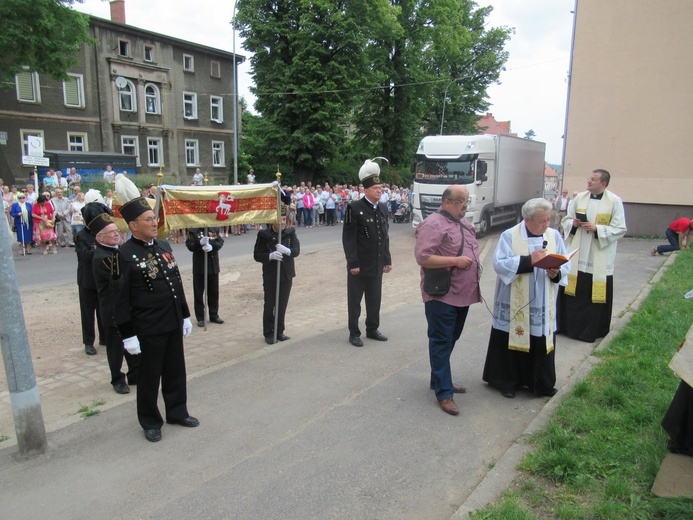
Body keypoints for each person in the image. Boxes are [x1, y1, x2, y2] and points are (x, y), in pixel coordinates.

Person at [114, 175, 198, 443]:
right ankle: (150, 421)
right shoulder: (125, 255)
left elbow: (176, 282)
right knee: (149, 378)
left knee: (176, 371)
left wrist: (184, 314)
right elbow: (119, 300)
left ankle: (177, 411)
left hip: (171, 321)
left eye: (154, 218)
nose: (154, 223)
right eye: (148, 220)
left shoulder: (163, 245)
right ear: (133, 225)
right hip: (147, 328)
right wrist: (128, 335)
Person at [483, 198, 570, 399]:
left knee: (539, 338)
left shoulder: (554, 236)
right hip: (514, 300)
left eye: (549, 219)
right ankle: (508, 382)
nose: (547, 224)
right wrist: (529, 260)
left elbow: (565, 264)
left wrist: (555, 271)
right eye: (542, 221)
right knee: (511, 337)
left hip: (542, 300)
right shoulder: (510, 235)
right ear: (527, 219)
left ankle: (540, 383)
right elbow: (500, 264)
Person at [414, 185, 481, 416]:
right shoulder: (433, 223)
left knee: (452, 337)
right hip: (442, 294)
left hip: (463, 294)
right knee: (441, 341)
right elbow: (423, 257)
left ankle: (439, 378)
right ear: (446, 202)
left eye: (467, 200)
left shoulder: (463, 222)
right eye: (461, 200)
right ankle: (444, 392)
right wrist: (455, 260)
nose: (465, 204)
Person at [559, 169, 626, 342]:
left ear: (603, 184)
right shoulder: (579, 198)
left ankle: (592, 331)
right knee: (572, 290)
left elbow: (620, 229)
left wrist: (598, 229)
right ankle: (567, 326)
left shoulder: (614, 201)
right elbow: (565, 220)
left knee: (592, 295)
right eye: (589, 178)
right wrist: (573, 224)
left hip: (598, 255)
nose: (589, 181)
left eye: (593, 179)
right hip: (578, 253)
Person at [86, 203, 140, 393]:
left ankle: (135, 373)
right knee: (116, 347)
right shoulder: (102, 256)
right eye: (111, 232)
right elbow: (123, 279)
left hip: (127, 306)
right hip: (112, 309)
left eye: (117, 230)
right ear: (99, 237)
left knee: (131, 342)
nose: (116, 234)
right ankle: (117, 379)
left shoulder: (119, 250)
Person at [342, 159, 392, 347]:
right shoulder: (354, 208)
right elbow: (348, 239)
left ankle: (372, 329)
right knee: (355, 302)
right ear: (366, 190)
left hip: (377, 263)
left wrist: (387, 259)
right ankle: (354, 333)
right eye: (376, 188)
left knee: (374, 299)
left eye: (381, 188)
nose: (380, 191)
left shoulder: (382, 208)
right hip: (359, 265)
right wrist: (352, 263)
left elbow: (384, 237)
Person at [253, 209, 300, 344]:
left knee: (282, 304)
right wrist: (270, 256)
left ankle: (279, 331)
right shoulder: (263, 234)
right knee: (270, 304)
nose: (282, 223)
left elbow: (297, 250)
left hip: (286, 273)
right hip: (271, 274)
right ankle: (268, 332)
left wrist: (288, 251)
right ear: (272, 221)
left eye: (284, 219)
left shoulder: (290, 233)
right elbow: (257, 255)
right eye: (279, 220)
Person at [74, 192, 106, 356]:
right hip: (87, 280)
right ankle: (88, 342)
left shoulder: (102, 234)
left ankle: (104, 337)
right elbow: (85, 255)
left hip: (101, 279)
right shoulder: (81, 236)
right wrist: (102, 247)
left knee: (103, 309)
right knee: (88, 312)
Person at [185, 227, 225, 327]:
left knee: (214, 292)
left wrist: (212, 246)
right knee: (198, 294)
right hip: (200, 266)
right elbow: (190, 245)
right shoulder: (193, 230)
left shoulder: (214, 228)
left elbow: (220, 242)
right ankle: (201, 317)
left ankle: (214, 314)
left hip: (213, 265)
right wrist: (199, 243)